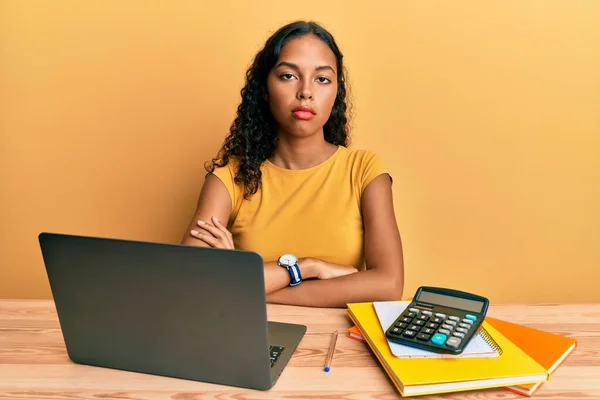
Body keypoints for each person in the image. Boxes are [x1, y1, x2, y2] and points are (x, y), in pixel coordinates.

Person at [182, 21, 404, 307]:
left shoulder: (365, 171)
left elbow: (388, 285)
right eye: (288, 76)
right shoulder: (229, 178)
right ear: (264, 89)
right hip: (253, 342)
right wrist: (306, 267)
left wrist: (241, 281)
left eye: (322, 79)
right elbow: (191, 281)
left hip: (343, 344)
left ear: (337, 92)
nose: (306, 92)